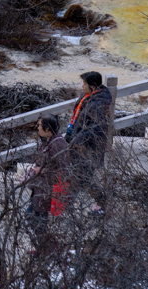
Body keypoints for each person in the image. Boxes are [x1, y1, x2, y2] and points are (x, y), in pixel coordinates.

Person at [18, 116, 69, 256]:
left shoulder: (58, 144)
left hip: (47, 191)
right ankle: (44, 248)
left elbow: (63, 169)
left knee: (36, 219)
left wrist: (42, 171)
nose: (38, 128)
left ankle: (48, 249)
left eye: (40, 125)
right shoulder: (46, 141)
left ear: (47, 129)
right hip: (40, 189)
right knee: (34, 219)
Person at [65, 71, 111, 213]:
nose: (82, 86)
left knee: (82, 178)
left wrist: (77, 140)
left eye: (84, 84)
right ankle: (70, 205)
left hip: (88, 148)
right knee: (79, 177)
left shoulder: (98, 104)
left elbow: (96, 128)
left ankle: (101, 203)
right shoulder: (87, 98)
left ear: (93, 87)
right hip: (80, 146)